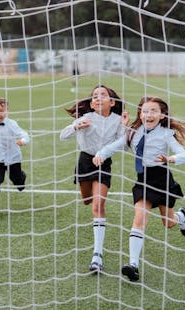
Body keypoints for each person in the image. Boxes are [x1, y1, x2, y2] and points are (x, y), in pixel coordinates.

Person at [93, 96, 185, 282]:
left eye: (154, 111)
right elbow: (115, 146)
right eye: (145, 111)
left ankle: (181, 217)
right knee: (139, 219)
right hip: (143, 181)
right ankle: (133, 265)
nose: (149, 114)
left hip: (162, 180)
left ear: (162, 115)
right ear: (140, 113)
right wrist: (100, 154)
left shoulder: (166, 134)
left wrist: (171, 159)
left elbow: (184, 155)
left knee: (168, 222)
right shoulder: (133, 132)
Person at [60, 85, 127, 273]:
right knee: (87, 200)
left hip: (103, 163)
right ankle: (89, 199)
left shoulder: (117, 120)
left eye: (103, 95)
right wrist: (75, 126)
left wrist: (124, 125)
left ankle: (97, 254)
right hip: (85, 161)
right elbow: (62, 136)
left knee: (98, 205)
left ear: (112, 103)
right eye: (95, 96)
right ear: (91, 103)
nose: (98, 98)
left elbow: (125, 145)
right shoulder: (86, 118)